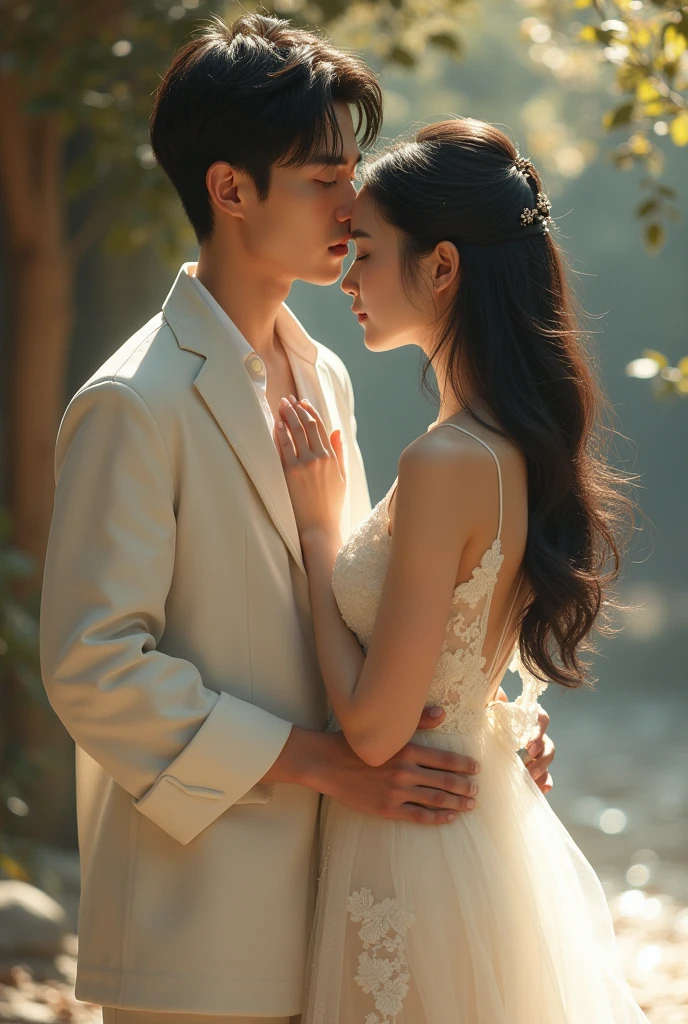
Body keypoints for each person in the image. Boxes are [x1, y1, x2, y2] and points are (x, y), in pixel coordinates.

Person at [39, 18, 555, 1024]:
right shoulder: (131, 400)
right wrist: (312, 759)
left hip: (349, 905)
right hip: (204, 928)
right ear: (231, 191)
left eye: (352, 168)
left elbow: (372, 605)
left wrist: (488, 731)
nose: (353, 199)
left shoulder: (324, 375)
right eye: (325, 176)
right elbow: (92, 662)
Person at [276, 118, 647, 1022]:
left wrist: (320, 531)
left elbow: (371, 731)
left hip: (416, 844)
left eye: (365, 252)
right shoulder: (507, 446)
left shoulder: (447, 461)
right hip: (465, 821)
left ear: (442, 266)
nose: (347, 278)